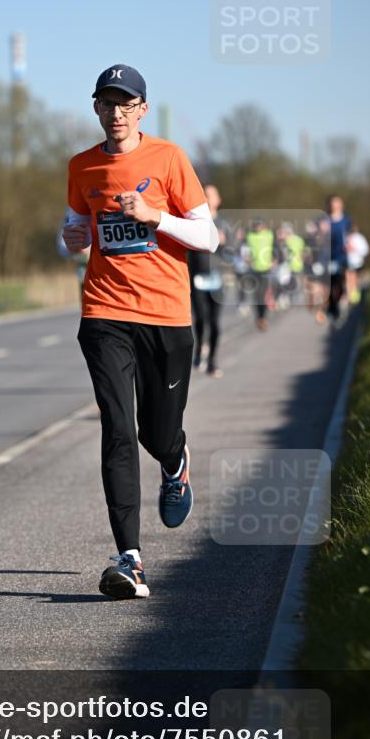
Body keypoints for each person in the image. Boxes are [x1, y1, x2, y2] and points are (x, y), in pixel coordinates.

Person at [63, 64, 218, 600]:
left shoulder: (170, 158)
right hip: (104, 311)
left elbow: (209, 236)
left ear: (142, 110)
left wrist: (156, 216)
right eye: (107, 103)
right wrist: (71, 238)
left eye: (126, 104)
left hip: (166, 316)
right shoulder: (81, 166)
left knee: (156, 433)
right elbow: (75, 230)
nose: (116, 113)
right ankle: (129, 558)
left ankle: (175, 461)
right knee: (117, 428)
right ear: (96, 108)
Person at [188, 184, 228, 376]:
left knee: (214, 321)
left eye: (210, 195)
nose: (206, 198)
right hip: (198, 277)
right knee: (200, 318)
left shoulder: (224, 224)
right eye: (203, 194)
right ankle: (199, 351)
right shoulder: (193, 222)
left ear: (218, 200)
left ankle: (212, 360)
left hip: (217, 278)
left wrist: (225, 242)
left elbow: (234, 251)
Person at [245, 217, 274, 330]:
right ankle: (259, 317)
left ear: (264, 226)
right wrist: (246, 258)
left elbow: (276, 248)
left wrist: (274, 260)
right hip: (254, 269)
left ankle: (262, 317)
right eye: (256, 225)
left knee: (263, 294)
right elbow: (243, 249)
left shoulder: (270, 235)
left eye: (260, 225)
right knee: (257, 295)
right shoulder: (249, 236)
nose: (258, 227)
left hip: (266, 269)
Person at [327, 195, 351, 321]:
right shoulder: (326, 220)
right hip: (329, 256)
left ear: (341, 204)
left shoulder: (346, 220)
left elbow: (350, 234)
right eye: (333, 203)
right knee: (330, 283)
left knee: (340, 282)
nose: (334, 205)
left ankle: (339, 301)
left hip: (341, 256)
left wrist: (350, 243)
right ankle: (332, 308)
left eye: (337, 202)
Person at [345, 225, 369, 304]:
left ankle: (355, 298)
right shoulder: (345, 237)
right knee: (349, 279)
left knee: (354, 279)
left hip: (357, 262)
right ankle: (352, 298)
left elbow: (365, 250)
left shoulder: (359, 238)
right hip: (347, 262)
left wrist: (355, 249)